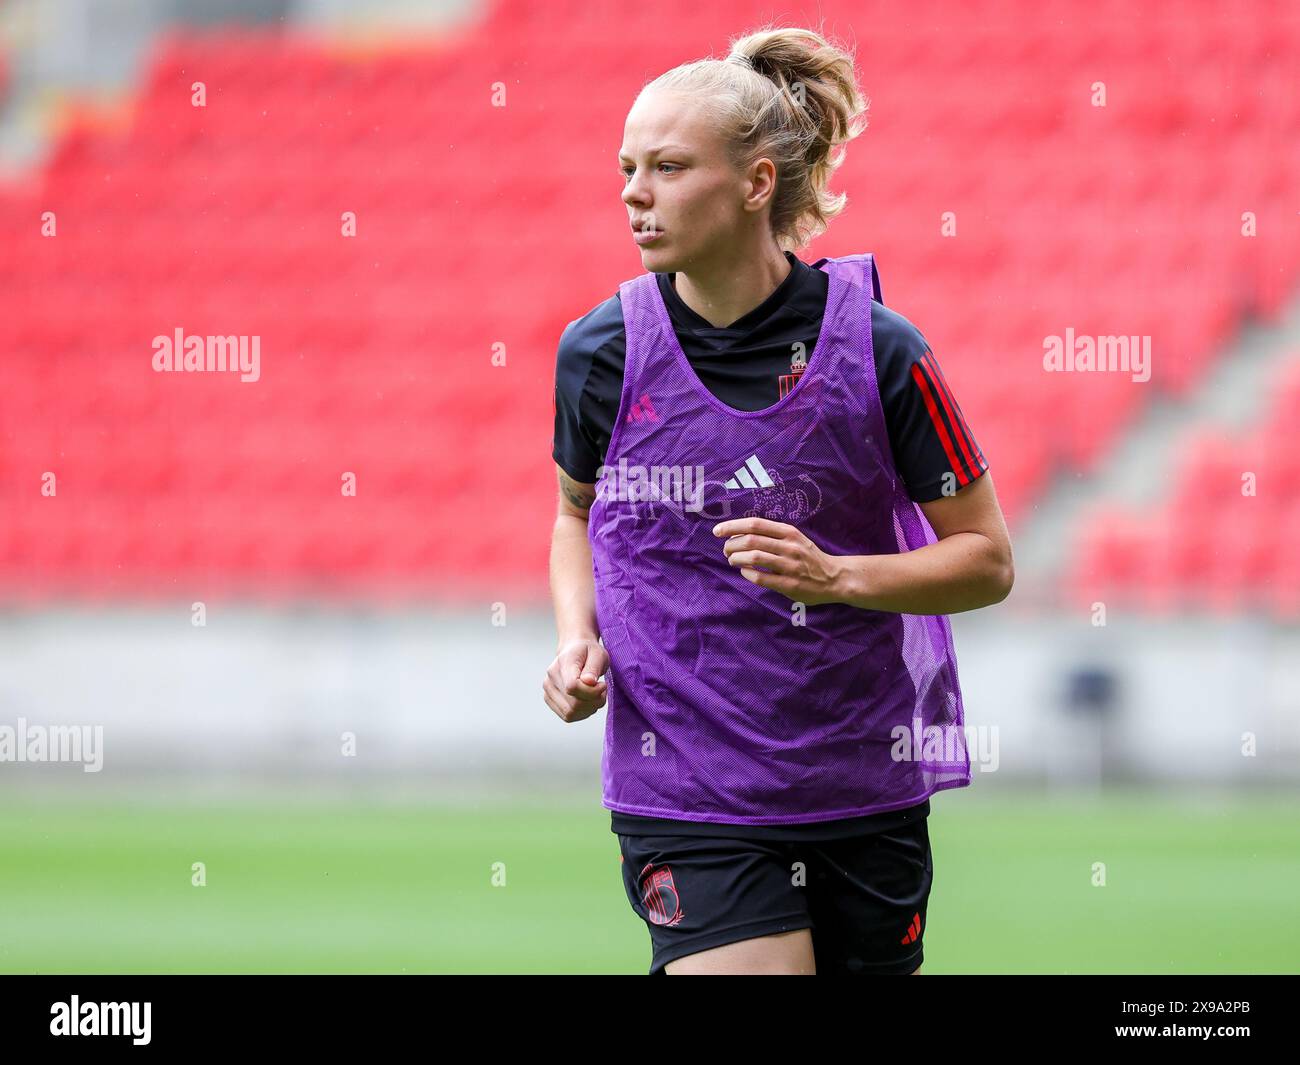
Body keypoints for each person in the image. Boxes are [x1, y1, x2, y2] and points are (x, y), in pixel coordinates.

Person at [545, 24, 1014, 975]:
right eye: (628, 168)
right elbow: (573, 515)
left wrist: (836, 574)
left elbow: (988, 560)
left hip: (859, 780)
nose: (636, 194)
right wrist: (573, 638)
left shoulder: (885, 351)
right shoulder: (598, 352)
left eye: (669, 167)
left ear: (758, 183)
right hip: (687, 788)